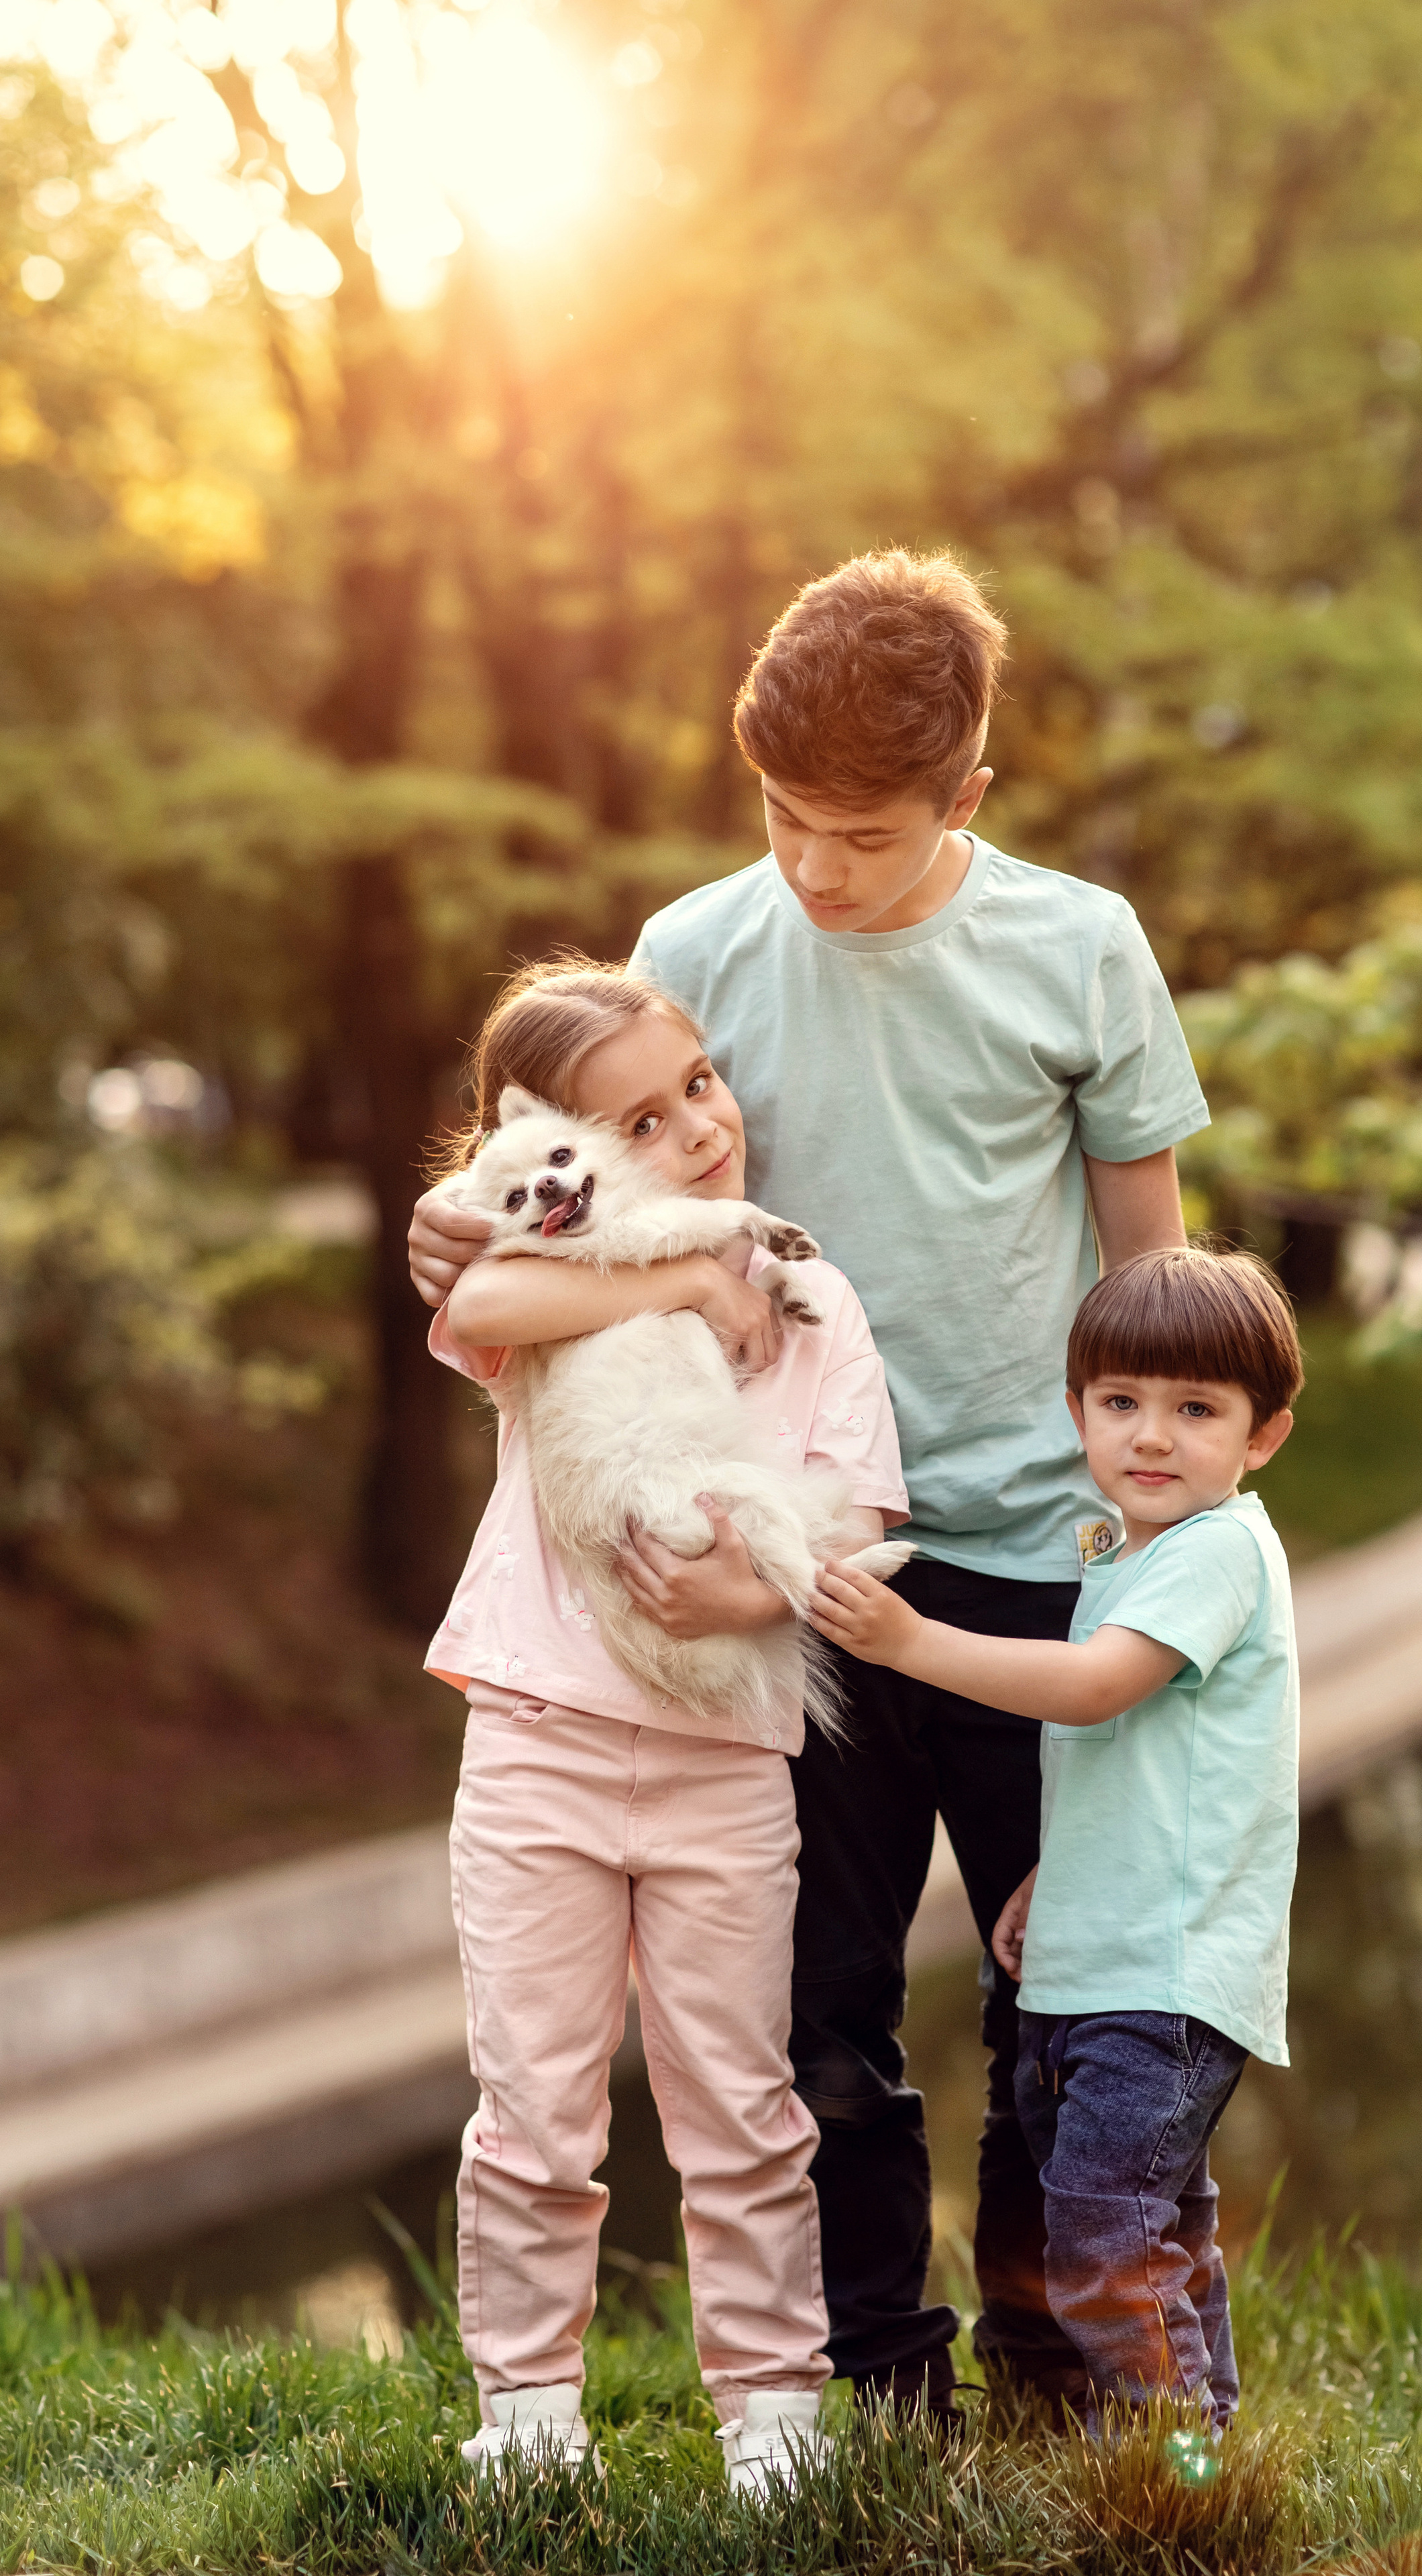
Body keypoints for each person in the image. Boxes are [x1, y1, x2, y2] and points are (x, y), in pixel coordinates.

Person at [408, 548, 1209, 2416]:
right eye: (780, 814)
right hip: (796, 1579)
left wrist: (1162, 1556)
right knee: (817, 2019)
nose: (812, 867)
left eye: (856, 831)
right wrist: (517, 1250)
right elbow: (550, 1208)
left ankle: (1060, 2382)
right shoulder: (690, 957)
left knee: (1064, 2007)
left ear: (969, 800)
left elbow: (1149, 1281)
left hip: (1036, 1566)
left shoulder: (1079, 948)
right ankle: (875, 2390)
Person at [425, 957, 910, 2493]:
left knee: (740, 2107)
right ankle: (527, 2421)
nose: (698, 1127)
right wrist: (687, 1278)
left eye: (697, 1081)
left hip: (722, 1769)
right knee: (534, 2109)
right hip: (537, 1745)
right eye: (644, 1116)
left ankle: (773, 2419)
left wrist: (743, 1598)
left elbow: (864, 1526)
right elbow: (482, 1293)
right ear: (574, 1155)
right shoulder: (547, 1271)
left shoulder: (820, 1307)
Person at [809, 1246, 1302, 2431]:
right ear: (1076, 1411)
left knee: (1100, 2239)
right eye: (1121, 1403)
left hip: (1164, 1978)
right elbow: (1127, 1769)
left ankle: (1169, 2474)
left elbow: (1093, 1692)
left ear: (1262, 1437)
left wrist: (907, 1642)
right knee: (1157, 2231)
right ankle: (1200, 2461)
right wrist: (1047, 1875)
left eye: (1196, 1411)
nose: (1152, 1435)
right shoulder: (1128, 1550)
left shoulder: (1219, 1551)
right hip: (1101, 1955)